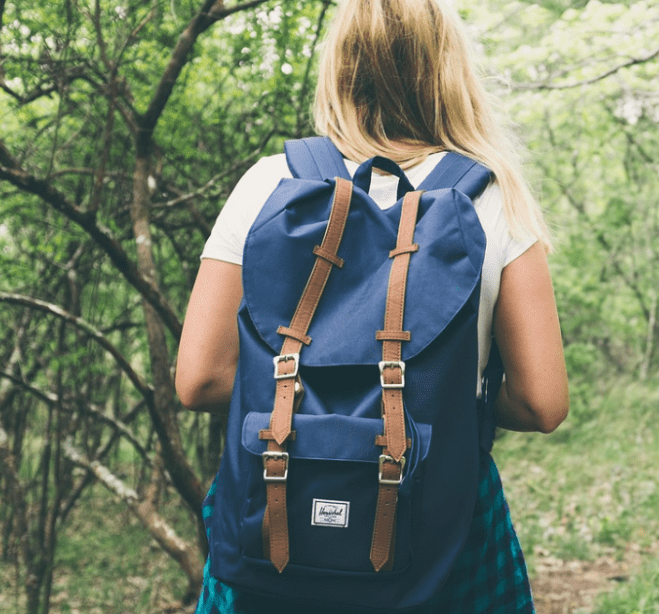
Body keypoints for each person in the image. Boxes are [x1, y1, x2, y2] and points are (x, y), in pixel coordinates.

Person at [175, 0, 569, 611]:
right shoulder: (494, 198)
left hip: (276, 519)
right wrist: (446, 405)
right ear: (448, 69)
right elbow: (542, 402)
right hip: (436, 530)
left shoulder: (268, 184)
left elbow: (199, 379)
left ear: (339, 66)